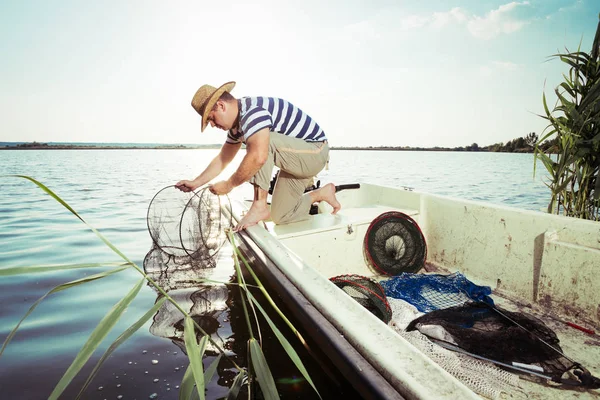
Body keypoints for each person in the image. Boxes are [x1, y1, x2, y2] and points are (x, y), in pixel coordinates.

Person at [176, 81, 341, 231]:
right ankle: (321, 194)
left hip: (316, 151)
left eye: (211, 119)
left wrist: (228, 185)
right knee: (281, 215)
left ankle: (259, 205)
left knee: (262, 145)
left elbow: (259, 156)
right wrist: (196, 182)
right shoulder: (236, 128)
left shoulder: (252, 112)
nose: (212, 125)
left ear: (221, 105)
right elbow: (222, 159)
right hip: (295, 161)